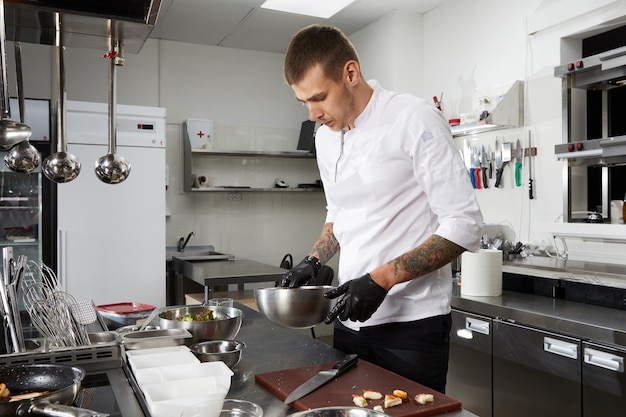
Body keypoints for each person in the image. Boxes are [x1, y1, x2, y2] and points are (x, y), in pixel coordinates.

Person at [279, 24, 483, 393]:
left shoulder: (412, 118)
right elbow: (338, 211)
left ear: (350, 73)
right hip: (349, 319)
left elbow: (464, 225)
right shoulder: (325, 137)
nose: (312, 114)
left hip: (412, 327)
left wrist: (382, 279)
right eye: (304, 102)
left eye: (319, 97)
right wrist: (312, 260)